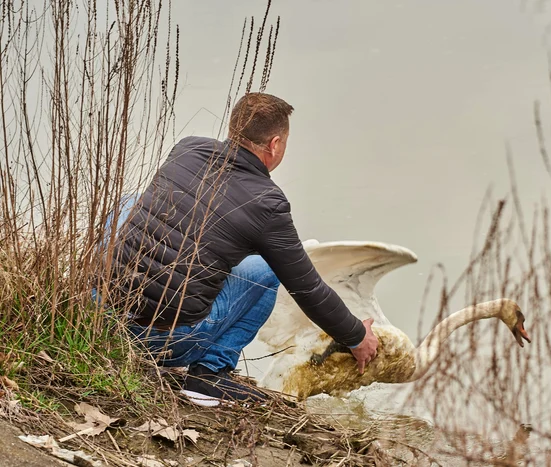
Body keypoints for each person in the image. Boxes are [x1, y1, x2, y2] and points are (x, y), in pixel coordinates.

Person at [105, 93, 379, 406]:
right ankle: (208, 374)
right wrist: (356, 336)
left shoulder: (187, 148)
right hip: (161, 341)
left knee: (128, 202)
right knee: (266, 269)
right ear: (275, 144)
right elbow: (308, 289)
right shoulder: (267, 204)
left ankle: (94, 312)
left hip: (102, 316)